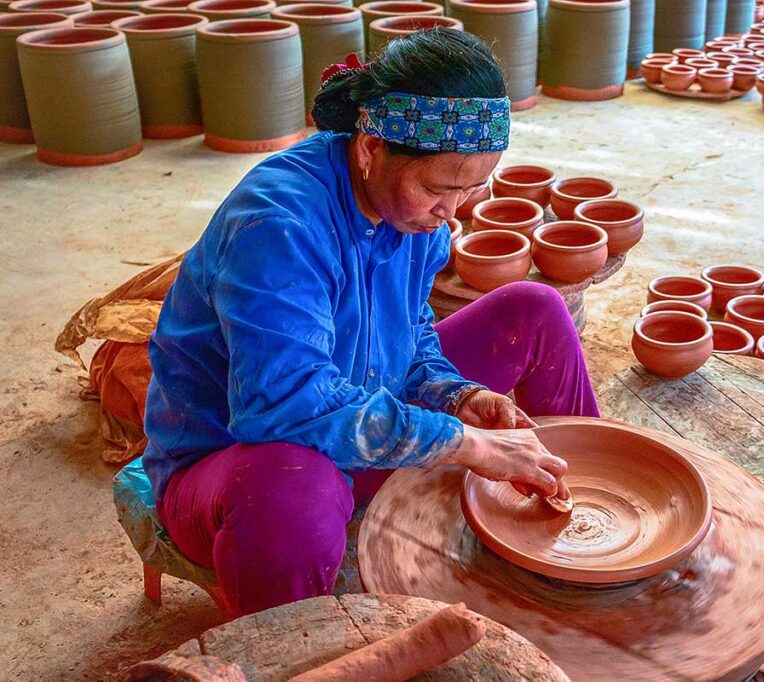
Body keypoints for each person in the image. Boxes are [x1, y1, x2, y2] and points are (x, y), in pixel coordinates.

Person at [142, 29, 600, 618]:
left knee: (535, 310)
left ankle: (576, 506)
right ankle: (289, 649)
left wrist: (459, 397)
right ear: (369, 149)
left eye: (471, 188)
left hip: (357, 421)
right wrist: (464, 445)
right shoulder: (279, 225)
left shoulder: (412, 218)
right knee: (297, 489)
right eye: (438, 187)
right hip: (233, 466)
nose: (450, 212)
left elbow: (410, 343)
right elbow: (281, 405)